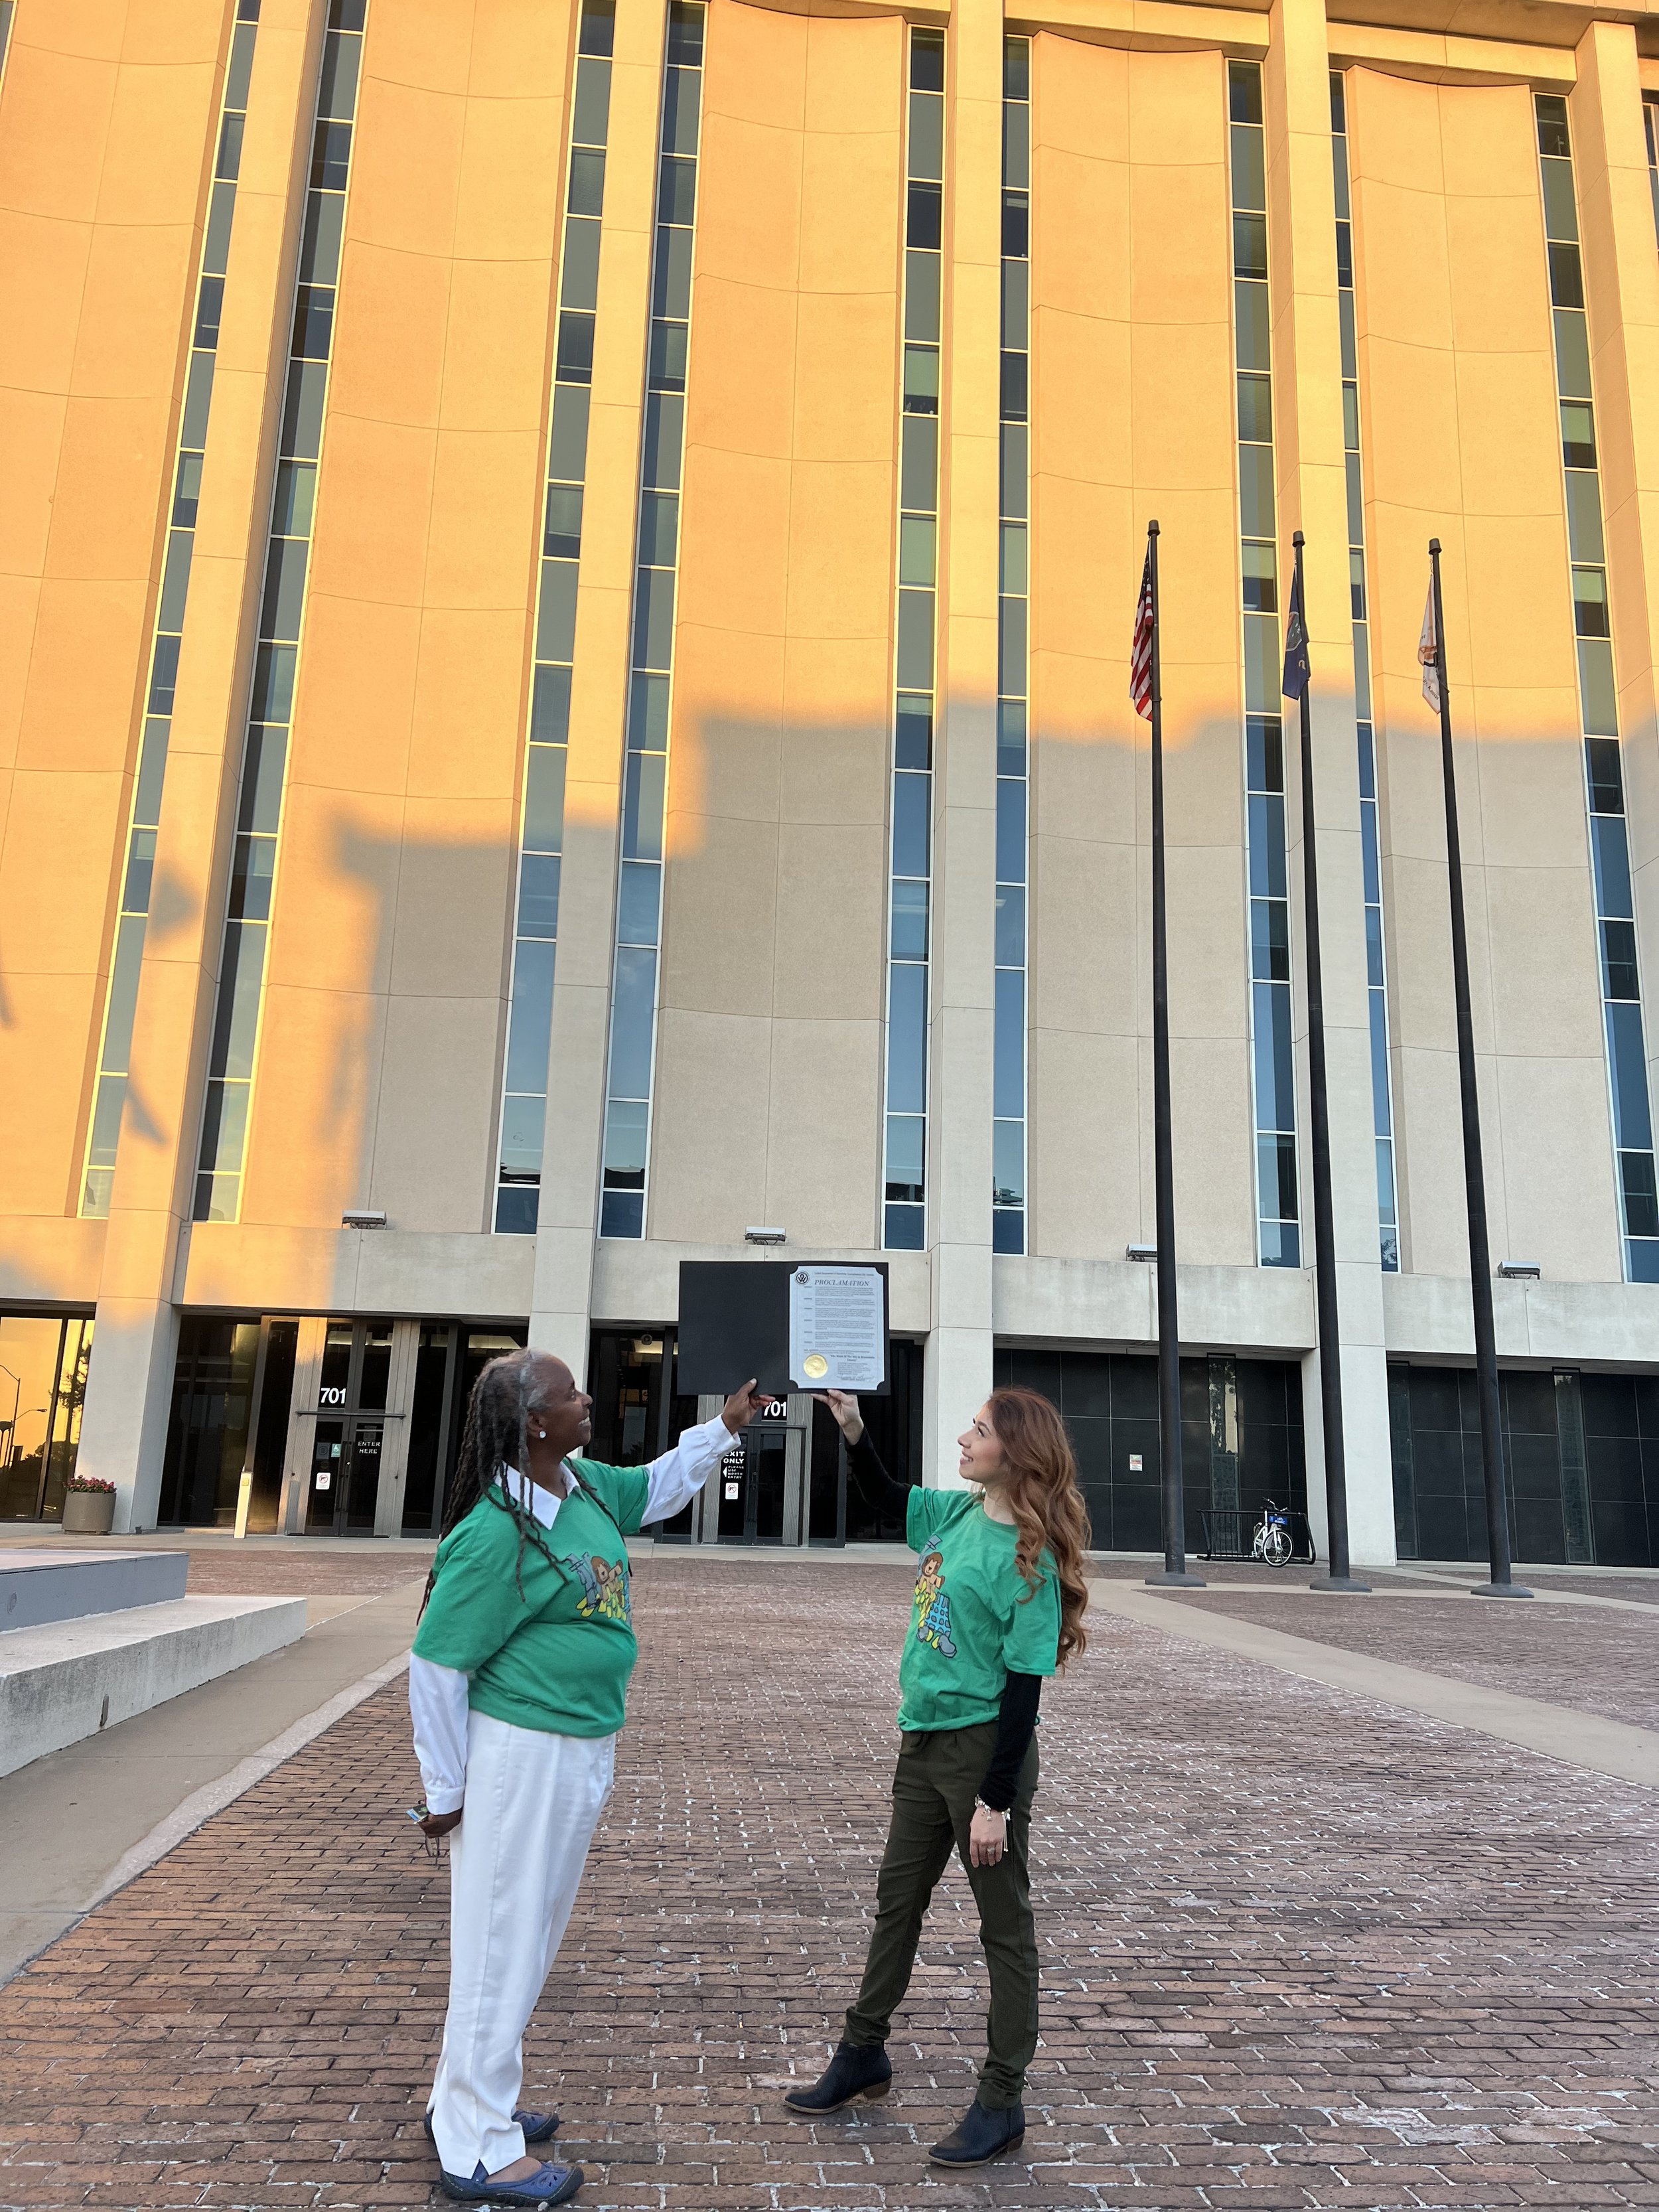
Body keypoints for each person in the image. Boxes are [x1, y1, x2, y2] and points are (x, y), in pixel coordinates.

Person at [409, 1349, 768, 2206]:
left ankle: (466, 2096)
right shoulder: (497, 1529)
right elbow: (434, 1667)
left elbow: (661, 1484)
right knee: (500, 1945)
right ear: (534, 1422)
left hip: (577, 1748)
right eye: (569, 1393)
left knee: (522, 1942)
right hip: (517, 1757)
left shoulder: (582, 1488)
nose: (586, 1399)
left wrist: (723, 1427)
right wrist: (446, 1793)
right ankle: (478, 2147)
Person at [784, 1386, 1091, 2169]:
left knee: (1003, 1928)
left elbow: (1024, 1690)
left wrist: (993, 1802)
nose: (963, 1438)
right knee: (897, 1903)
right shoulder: (954, 1518)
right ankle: (862, 2053)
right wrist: (852, 1429)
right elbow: (884, 1499)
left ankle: (1001, 2098)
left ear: (1013, 1453)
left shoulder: (1029, 1555)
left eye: (978, 1432)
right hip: (921, 1743)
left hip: (982, 1752)